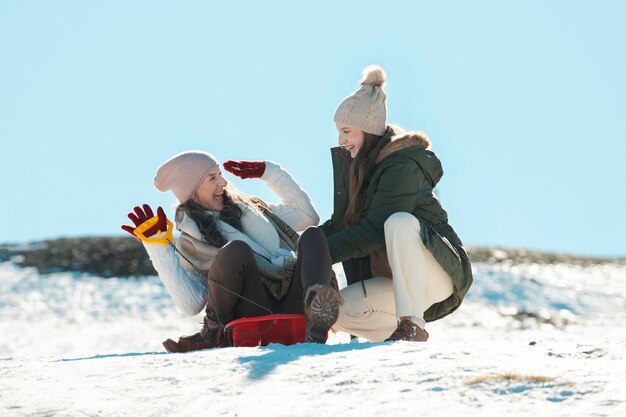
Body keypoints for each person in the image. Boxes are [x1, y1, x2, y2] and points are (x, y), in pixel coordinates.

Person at [121, 152, 340, 352]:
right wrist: (157, 245)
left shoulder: (254, 209)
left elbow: (306, 215)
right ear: (193, 192)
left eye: (220, 175)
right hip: (250, 307)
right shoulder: (191, 242)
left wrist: (270, 173)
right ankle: (213, 331)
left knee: (313, 235)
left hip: (293, 297)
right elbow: (191, 304)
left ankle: (316, 310)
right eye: (212, 178)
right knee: (236, 251)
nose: (224, 183)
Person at [319, 65, 473, 342]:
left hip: (435, 273)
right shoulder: (357, 171)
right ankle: (394, 340)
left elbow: (374, 230)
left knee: (398, 223)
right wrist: (301, 247)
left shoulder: (401, 166)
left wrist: (320, 254)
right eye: (338, 132)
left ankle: (412, 324)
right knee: (334, 312)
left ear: (368, 131)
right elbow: (341, 226)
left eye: (347, 132)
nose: (341, 141)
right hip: (395, 285)